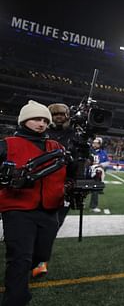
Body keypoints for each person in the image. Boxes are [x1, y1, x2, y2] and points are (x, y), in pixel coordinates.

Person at [0, 100, 66, 306]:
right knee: (20, 258)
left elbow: (70, 173)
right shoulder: (6, 144)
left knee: (41, 255)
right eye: (36, 119)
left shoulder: (56, 146)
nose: (41, 124)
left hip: (49, 211)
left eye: (45, 120)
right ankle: (16, 299)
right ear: (24, 120)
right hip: (18, 210)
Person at [30, 103, 74, 279]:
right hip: (38, 184)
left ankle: (41, 261)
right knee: (34, 225)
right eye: (54, 114)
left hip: (62, 186)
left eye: (61, 114)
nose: (58, 117)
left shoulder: (74, 135)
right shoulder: (40, 132)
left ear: (67, 115)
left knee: (53, 226)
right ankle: (31, 257)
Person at [88, 137, 109, 213]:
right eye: (94, 142)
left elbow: (107, 162)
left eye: (97, 143)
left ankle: (93, 206)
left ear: (100, 144)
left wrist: (100, 164)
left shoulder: (103, 152)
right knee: (83, 189)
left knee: (95, 190)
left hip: (97, 173)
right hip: (88, 171)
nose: (95, 144)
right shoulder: (89, 151)